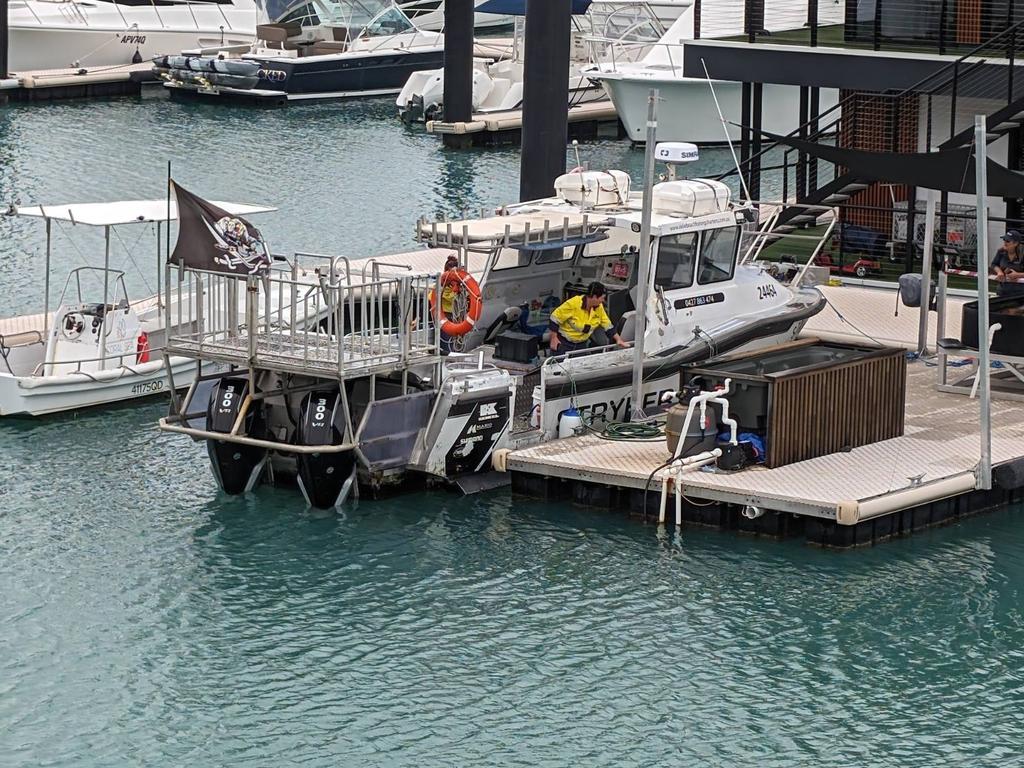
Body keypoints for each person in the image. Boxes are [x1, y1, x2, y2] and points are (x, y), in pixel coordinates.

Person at [548, 281, 629, 353]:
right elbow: (554, 319)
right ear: (594, 297)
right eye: (602, 298)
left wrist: (619, 340)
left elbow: (608, 326)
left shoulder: (599, 307)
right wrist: (553, 339)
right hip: (564, 344)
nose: (603, 301)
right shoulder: (573, 303)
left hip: (581, 346)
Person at [991, 230, 1024, 297]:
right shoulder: (1001, 251)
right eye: (1004, 240)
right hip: (1002, 290)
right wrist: (999, 272)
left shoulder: (1023, 253)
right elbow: (994, 264)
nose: (1005, 243)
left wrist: (1018, 275)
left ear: (1016, 243)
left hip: (1020, 292)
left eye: (1008, 241)